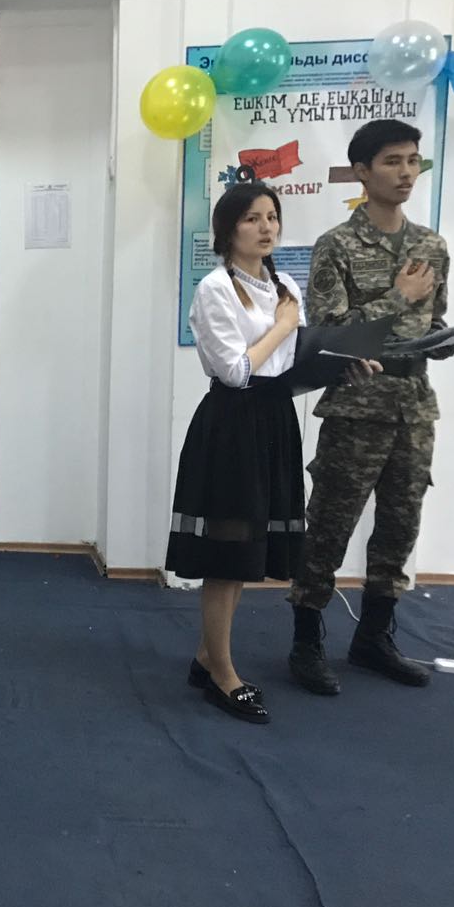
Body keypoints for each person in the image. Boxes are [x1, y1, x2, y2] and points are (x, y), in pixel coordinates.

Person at [287, 119, 454, 695]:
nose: (406, 172)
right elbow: (330, 335)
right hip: (356, 407)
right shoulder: (336, 244)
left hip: (414, 406)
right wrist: (397, 297)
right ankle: (306, 642)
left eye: (412, 160)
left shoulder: (432, 246)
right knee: (329, 526)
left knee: (400, 528)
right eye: (391, 161)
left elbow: (431, 319)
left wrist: (442, 338)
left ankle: (374, 638)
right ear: (362, 171)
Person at [166, 183, 309, 725]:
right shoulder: (214, 288)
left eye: (272, 216)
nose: (266, 227)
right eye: (252, 218)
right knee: (226, 555)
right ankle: (223, 674)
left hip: (274, 420)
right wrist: (283, 325)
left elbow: (292, 360)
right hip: (232, 423)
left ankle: (209, 657)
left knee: (249, 551)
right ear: (228, 230)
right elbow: (234, 370)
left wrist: (344, 363)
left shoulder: (285, 285)